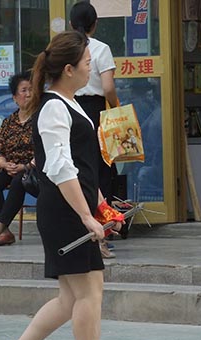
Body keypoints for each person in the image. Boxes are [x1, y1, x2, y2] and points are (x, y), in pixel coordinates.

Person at [0, 30, 123, 340]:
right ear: (70, 70)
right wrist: (87, 215)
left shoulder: (70, 104)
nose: (92, 69)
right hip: (65, 212)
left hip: (74, 208)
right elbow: (61, 168)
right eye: (88, 63)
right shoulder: (53, 108)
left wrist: (101, 206)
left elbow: (83, 167)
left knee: (70, 298)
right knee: (90, 292)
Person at [71, 1, 120, 259]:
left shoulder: (66, 48)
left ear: (71, 24)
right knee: (102, 172)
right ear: (95, 24)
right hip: (96, 111)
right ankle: (102, 237)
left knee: (75, 171)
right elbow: (109, 88)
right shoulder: (101, 48)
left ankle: (77, 234)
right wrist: (116, 109)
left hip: (69, 109)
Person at [0, 71, 35, 247]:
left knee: (20, 180)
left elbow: (44, 152)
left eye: (31, 90)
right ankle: (4, 231)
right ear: (14, 98)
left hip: (33, 169)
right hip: (10, 167)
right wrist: (4, 164)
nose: (28, 94)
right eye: (23, 90)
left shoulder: (41, 118)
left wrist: (24, 166)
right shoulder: (8, 122)